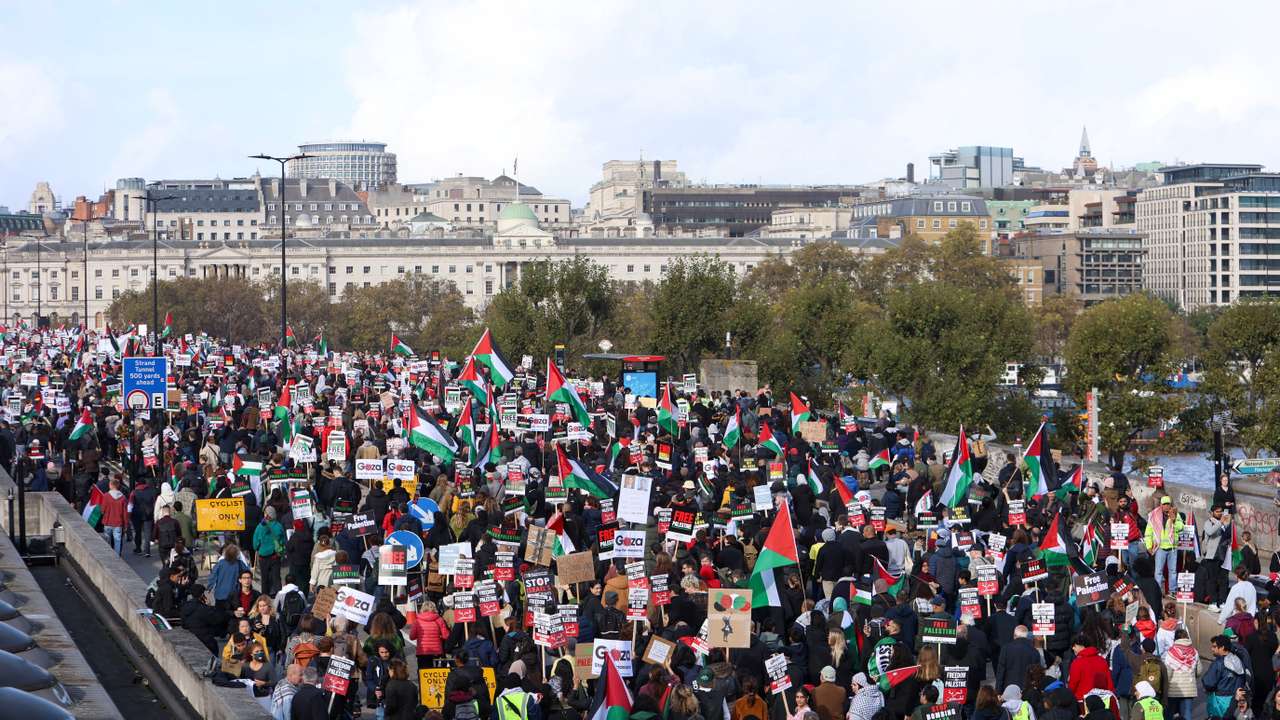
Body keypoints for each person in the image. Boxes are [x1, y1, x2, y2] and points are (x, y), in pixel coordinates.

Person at [1143, 496, 1184, 595]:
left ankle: (1172, 591)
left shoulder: (1175, 514)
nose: (1166, 506)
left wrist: (1174, 520)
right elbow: (1148, 532)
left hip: (1172, 547)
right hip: (1160, 547)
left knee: (1173, 571)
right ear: (1161, 505)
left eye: (1168, 504)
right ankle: (1157, 591)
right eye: (1164, 504)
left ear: (1170, 505)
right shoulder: (1154, 515)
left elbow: (1181, 527)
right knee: (1158, 571)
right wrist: (1148, 546)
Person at [1204, 635, 1248, 719]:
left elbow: (1208, 682)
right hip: (1235, 700)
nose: (1212, 649)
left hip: (1219, 702)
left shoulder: (1218, 663)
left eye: (1215, 646)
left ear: (1222, 647)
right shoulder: (1237, 660)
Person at [1162, 628, 1198, 720]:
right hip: (1189, 690)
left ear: (1175, 639)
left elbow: (1168, 673)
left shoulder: (1171, 652)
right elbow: (1199, 670)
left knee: (1169, 714)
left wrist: (1164, 686)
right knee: (1187, 714)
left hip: (1174, 689)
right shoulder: (1194, 652)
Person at [253, 505, 286, 597]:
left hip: (263, 557)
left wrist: (257, 548)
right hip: (275, 556)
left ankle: (265, 596)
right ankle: (279, 596)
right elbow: (283, 541)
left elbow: (255, 543)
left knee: (265, 578)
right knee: (276, 577)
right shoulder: (279, 526)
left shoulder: (260, 527)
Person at [409, 600, 450, 667]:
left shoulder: (417, 621)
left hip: (422, 651)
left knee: (423, 673)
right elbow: (445, 636)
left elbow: (412, 637)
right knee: (437, 672)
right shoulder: (439, 620)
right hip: (436, 652)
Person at [100, 478, 129, 556]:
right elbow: (125, 513)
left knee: (107, 541)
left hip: (107, 522)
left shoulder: (106, 496)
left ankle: (108, 555)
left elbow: (102, 510)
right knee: (117, 542)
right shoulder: (123, 498)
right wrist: (126, 524)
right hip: (118, 523)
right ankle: (117, 557)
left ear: (111, 485)